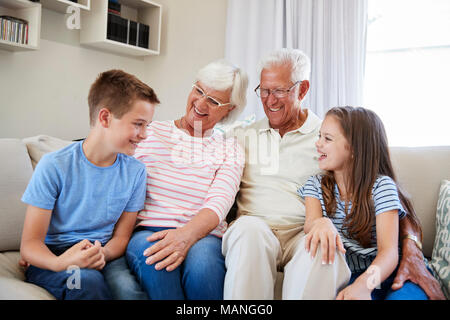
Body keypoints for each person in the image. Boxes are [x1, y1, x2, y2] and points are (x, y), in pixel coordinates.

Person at [222, 48, 445, 300]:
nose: (269, 100)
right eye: (264, 90)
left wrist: (374, 276)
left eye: (279, 91)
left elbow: (388, 243)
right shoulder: (243, 138)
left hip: (357, 265)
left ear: (302, 89)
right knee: (250, 230)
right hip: (258, 232)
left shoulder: (336, 138)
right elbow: (314, 222)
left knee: (323, 248)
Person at [20, 70, 159, 300]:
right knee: (84, 282)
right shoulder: (54, 166)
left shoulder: (135, 172)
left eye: (147, 126)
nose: (144, 134)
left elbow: (121, 238)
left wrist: (100, 253)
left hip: (102, 252)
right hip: (54, 255)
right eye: (138, 124)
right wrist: (59, 263)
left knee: (128, 292)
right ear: (105, 118)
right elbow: (30, 244)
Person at [125, 60, 247, 299]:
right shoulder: (149, 131)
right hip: (148, 230)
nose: (200, 104)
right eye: (199, 91)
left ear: (229, 109)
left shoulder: (229, 148)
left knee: (204, 267)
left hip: (204, 235)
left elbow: (218, 204)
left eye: (213, 101)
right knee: (157, 258)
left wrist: (185, 236)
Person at [298, 106, 429, 299]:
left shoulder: (381, 187)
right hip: (350, 275)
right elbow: (311, 224)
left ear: (354, 149)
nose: (318, 143)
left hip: (391, 273)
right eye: (319, 136)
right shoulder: (315, 185)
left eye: (327, 138)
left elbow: (389, 253)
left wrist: (365, 285)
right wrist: (321, 222)